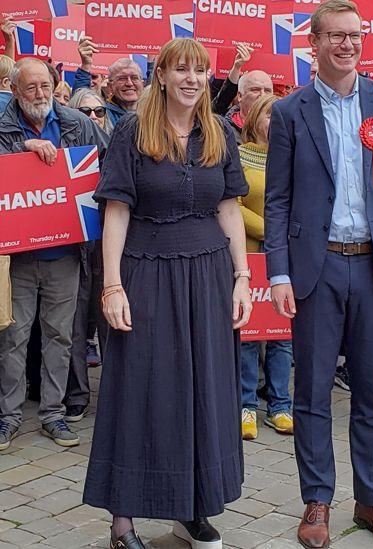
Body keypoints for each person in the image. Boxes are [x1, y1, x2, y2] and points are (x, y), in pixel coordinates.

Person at [82, 38, 251, 549]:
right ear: (161, 75)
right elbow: (116, 212)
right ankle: (123, 521)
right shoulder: (133, 131)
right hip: (146, 272)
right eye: (181, 69)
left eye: (199, 70)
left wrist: (243, 278)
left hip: (209, 273)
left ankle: (194, 507)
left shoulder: (219, 130)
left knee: (205, 390)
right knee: (140, 390)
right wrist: (111, 286)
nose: (192, 79)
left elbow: (228, 209)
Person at [264, 1, 373, 547]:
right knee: (310, 393)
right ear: (315, 42)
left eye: (355, 35)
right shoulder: (289, 112)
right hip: (316, 267)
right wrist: (278, 274)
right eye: (336, 36)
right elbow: (278, 201)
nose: (348, 44)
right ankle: (317, 502)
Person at [0, 58, 107, 452]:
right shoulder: (4, 127)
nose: (41, 94)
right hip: (19, 257)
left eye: (46, 85)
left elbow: (108, 161)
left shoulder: (77, 123)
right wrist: (21, 153)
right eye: (31, 88)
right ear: (14, 90)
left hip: (67, 252)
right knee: (13, 336)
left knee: (60, 336)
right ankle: (8, 417)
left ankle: (52, 414)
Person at [237, 93, 295, 440]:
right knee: (248, 335)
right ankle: (246, 407)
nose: (275, 121)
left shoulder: (293, 157)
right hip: (250, 254)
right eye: (270, 115)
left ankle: (280, 406)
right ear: (254, 118)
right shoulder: (241, 156)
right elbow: (233, 202)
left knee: (281, 337)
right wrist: (270, 229)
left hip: (285, 257)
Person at [60, 89, 114, 423]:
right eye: (86, 112)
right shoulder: (63, 154)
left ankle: (113, 393)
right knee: (75, 325)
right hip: (73, 246)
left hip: (107, 245)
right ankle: (77, 395)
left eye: (98, 111)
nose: (93, 117)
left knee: (111, 321)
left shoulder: (116, 149)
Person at [74, 36, 145, 125]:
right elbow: (81, 99)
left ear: (142, 84)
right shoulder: (101, 114)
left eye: (134, 78)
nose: (129, 83)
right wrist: (86, 65)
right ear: (111, 86)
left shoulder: (153, 113)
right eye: (122, 79)